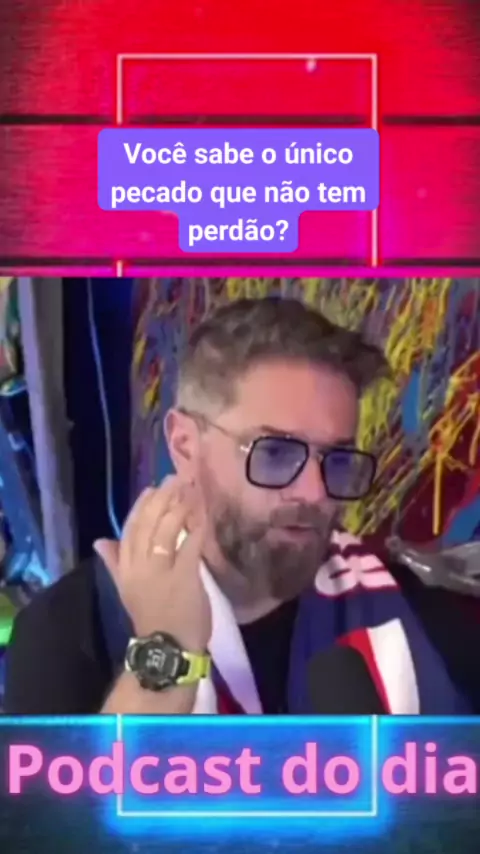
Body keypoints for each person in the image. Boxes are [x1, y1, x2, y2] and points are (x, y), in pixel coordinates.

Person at [4, 298, 480, 715]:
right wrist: (166, 650)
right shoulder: (71, 630)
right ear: (185, 445)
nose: (315, 492)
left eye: (336, 458)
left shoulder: (417, 612)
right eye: (275, 453)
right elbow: (67, 796)